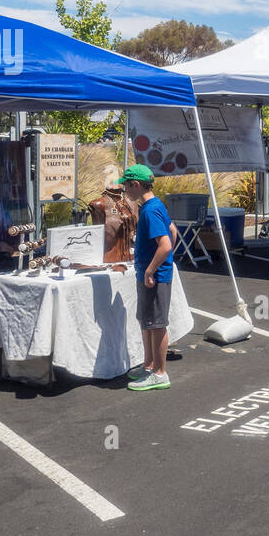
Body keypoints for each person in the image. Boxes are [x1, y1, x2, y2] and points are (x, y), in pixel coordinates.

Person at [121, 164, 173, 391]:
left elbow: (165, 244)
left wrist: (152, 270)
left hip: (153, 276)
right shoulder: (153, 205)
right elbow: (172, 230)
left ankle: (160, 373)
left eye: (125, 185)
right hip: (150, 274)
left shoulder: (150, 210)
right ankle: (150, 366)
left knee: (156, 324)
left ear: (136, 185)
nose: (124, 190)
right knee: (147, 322)